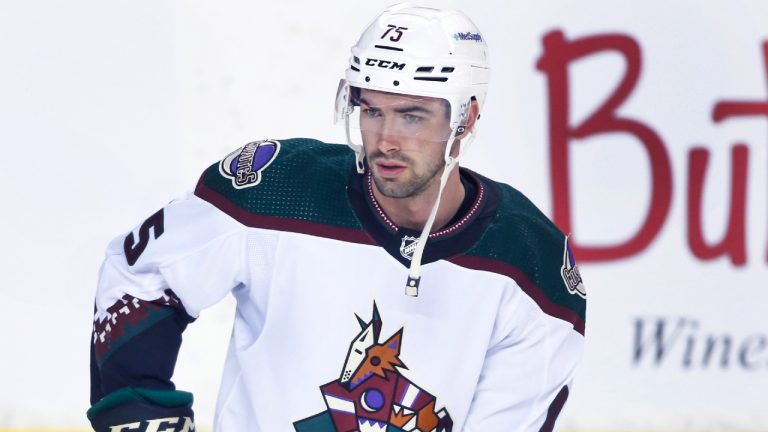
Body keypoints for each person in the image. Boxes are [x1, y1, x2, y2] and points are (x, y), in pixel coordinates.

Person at [88, 4, 586, 432]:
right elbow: (142, 274)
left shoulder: (532, 263)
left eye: (412, 115)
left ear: (467, 118)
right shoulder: (275, 191)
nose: (386, 139)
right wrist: (138, 405)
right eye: (372, 111)